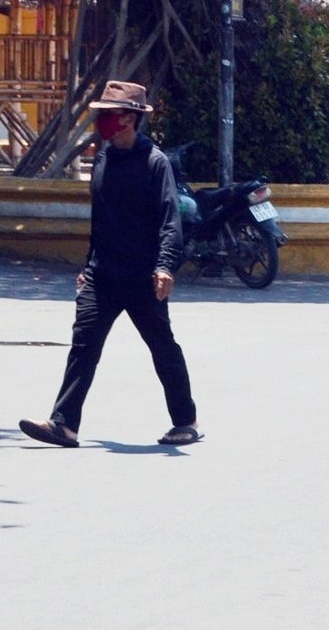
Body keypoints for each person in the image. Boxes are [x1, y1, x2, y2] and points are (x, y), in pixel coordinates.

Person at [20, 81, 199, 449]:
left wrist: (165, 267)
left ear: (130, 119)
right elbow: (101, 219)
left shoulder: (155, 163)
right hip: (103, 274)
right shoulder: (103, 158)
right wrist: (89, 266)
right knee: (83, 344)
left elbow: (170, 221)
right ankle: (64, 424)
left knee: (162, 346)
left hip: (142, 277)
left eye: (109, 115)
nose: (102, 121)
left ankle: (186, 421)